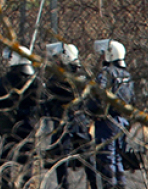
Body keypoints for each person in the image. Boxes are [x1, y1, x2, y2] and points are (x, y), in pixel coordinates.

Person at [0, 46, 41, 189]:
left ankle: (6, 184)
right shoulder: (35, 80)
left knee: (7, 155)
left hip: (9, 124)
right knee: (27, 155)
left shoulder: (6, 79)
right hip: (30, 124)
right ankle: (27, 183)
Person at [43, 43, 93, 189]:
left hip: (64, 122)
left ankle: (63, 185)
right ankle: (94, 183)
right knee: (87, 156)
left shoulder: (58, 79)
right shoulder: (82, 76)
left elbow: (49, 100)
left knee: (61, 156)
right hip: (81, 121)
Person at [87, 41, 135, 189]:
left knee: (106, 159)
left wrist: (91, 111)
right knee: (117, 159)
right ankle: (121, 186)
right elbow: (132, 99)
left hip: (107, 122)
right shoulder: (126, 75)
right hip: (122, 121)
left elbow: (99, 95)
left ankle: (109, 186)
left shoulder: (106, 73)